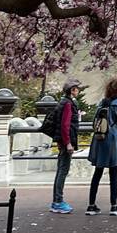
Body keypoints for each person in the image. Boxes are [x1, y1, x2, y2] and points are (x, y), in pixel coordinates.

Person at [85, 78, 117, 215]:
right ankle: (114, 206)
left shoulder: (102, 102)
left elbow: (95, 122)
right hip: (112, 140)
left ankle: (91, 205)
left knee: (97, 173)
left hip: (99, 139)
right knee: (113, 173)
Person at [50, 80, 81, 213]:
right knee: (63, 171)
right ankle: (58, 201)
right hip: (66, 142)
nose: (78, 91)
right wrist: (68, 143)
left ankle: (56, 201)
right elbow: (65, 125)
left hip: (62, 141)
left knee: (60, 171)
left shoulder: (63, 102)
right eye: (76, 89)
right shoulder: (68, 104)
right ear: (72, 90)